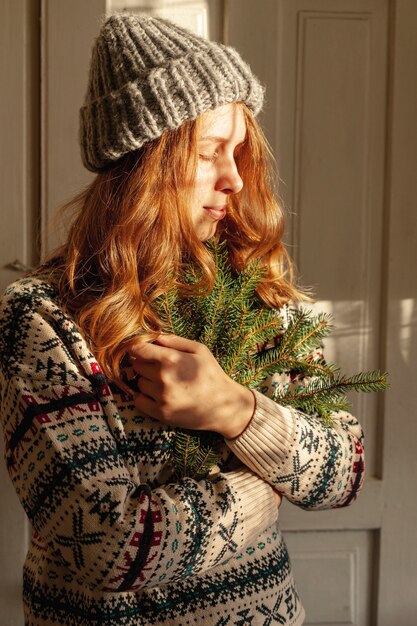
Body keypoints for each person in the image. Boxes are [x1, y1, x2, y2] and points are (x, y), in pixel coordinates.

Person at [0, 13, 365, 626]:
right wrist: (265, 489)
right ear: (142, 166)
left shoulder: (255, 290)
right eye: (208, 152)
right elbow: (111, 550)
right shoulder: (42, 320)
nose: (235, 178)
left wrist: (232, 409)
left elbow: (343, 470)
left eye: (239, 151)